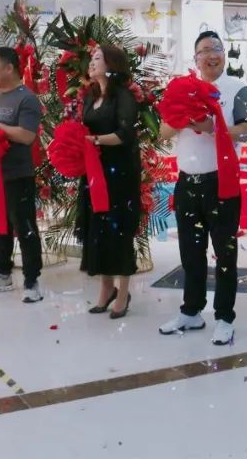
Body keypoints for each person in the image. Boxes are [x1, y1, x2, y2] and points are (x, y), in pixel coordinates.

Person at [158, 30, 247, 346]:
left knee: (224, 254)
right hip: (187, 182)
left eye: (217, 48)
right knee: (190, 252)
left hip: (220, 182)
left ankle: (225, 317)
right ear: (196, 58)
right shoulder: (181, 89)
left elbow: (245, 131)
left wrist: (212, 127)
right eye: (205, 50)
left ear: (224, 55)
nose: (212, 55)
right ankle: (191, 311)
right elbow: (162, 132)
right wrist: (183, 118)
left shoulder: (237, 88)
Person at [0, 46, 45, 303]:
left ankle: (31, 279)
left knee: (24, 227)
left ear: (9, 68)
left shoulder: (27, 99)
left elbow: (26, 136)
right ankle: (2, 272)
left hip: (17, 176)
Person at [80, 45, 141, 319]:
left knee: (119, 231)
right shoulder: (90, 96)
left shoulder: (123, 96)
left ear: (112, 64)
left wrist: (94, 141)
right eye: (91, 58)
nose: (91, 63)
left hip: (119, 174)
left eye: (97, 58)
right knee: (99, 230)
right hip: (94, 171)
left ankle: (124, 292)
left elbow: (125, 134)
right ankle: (106, 289)